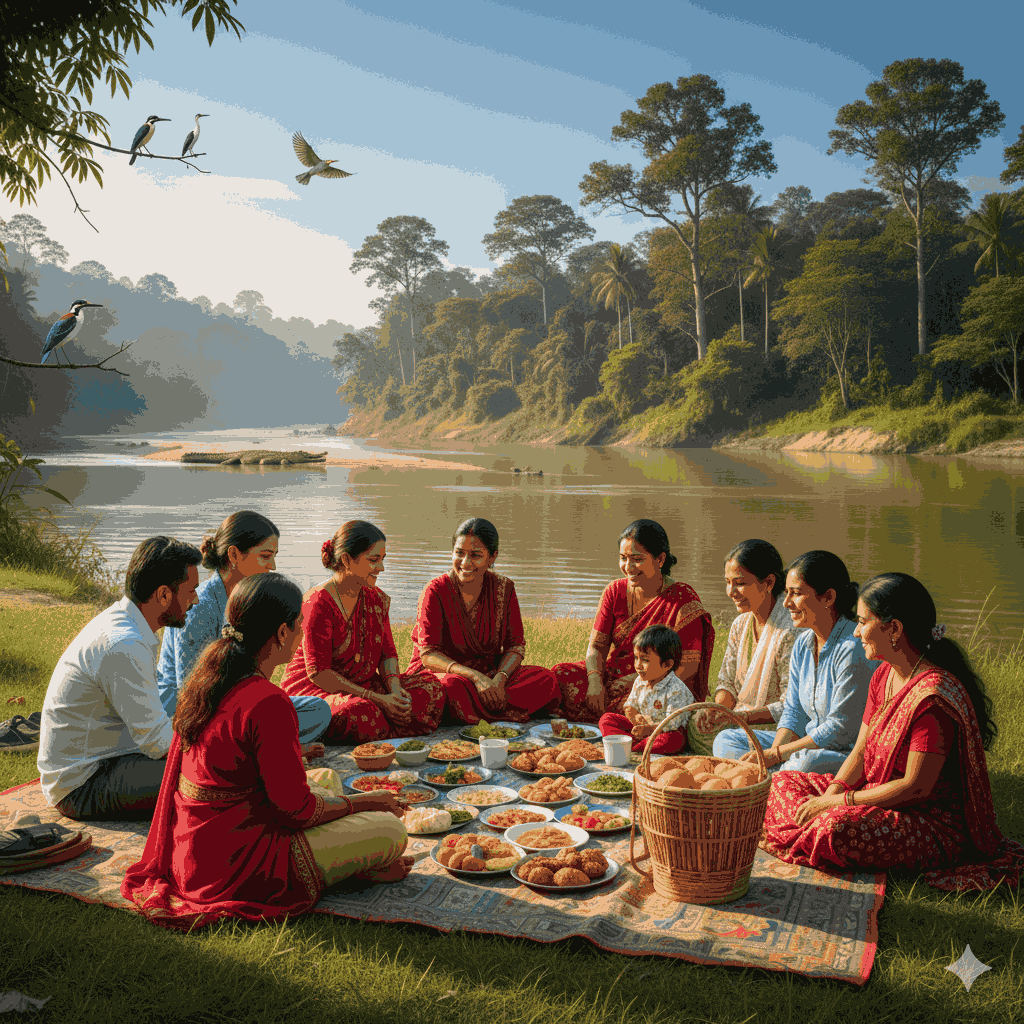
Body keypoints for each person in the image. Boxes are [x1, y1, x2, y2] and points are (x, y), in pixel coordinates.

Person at [122, 573, 413, 930]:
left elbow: (235, 759)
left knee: (327, 777)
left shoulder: (208, 675)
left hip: (197, 848)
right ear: (281, 633)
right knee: (389, 831)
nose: (302, 635)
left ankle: (351, 863)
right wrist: (368, 802)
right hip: (238, 863)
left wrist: (296, 756)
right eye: (299, 626)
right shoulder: (268, 701)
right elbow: (296, 812)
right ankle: (355, 870)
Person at [760, 572, 1024, 891]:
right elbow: (860, 750)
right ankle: (804, 834)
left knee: (834, 829)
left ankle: (797, 835)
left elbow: (916, 787)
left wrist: (839, 805)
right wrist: (830, 796)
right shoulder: (884, 675)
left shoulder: (932, 698)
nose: (856, 632)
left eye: (862, 622)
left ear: (894, 628)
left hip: (927, 821)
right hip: (875, 795)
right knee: (780, 783)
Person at [37, 537, 202, 821]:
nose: (195, 600)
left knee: (214, 766)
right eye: (191, 591)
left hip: (109, 760)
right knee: (213, 776)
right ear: (163, 595)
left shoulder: (128, 626)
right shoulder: (124, 644)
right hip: (84, 783)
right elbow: (158, 743)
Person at [156, 511, 330, 748]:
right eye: (265, 556)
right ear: (234, 554)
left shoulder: (251, 599)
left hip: (237, 701)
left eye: (274, 556)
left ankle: (262, 745)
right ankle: (266, 749)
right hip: (195, 708)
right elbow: (190, 687)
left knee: (317, 710)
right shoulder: (201, 604)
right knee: (262, 719)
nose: (273, 566)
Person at [280, 520, 444, 743]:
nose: (381, 568)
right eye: (373, 560)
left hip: (365, 685)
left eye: (382, 560)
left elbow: (387, 654)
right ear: (347, 560)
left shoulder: (375, 597)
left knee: (431, 688)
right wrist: (377, 699)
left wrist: (394, 691)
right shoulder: (318, 602)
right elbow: (319, 673)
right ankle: (386, 725)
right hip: (317, 689)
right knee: (361, 713)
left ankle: (385, 724)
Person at [714, 550, 875, 774]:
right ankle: (773, 777)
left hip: (843, 753)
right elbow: (794, 713)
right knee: (727, 740)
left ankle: (772, 779)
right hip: (802, 747)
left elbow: (840, 729)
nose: (787, 603)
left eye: (796, 593)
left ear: (828, 597)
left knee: (804, 763)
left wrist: (776, 755)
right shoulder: (803, 644)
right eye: (787, 593)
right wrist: (772, 755)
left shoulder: (852, 648)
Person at [552, 519, 714, 724]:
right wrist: (595, 682)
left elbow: (688, 667)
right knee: (561, 675)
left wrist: (646, 688)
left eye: (637, 559)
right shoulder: (614, 591)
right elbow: (597, 646)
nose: (628, 567)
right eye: (623, 558)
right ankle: (608, 714)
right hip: (611, 679)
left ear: (660, 559)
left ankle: (624, 719)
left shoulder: (683, 599)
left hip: (660, 686)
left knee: (637, 708)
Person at [407, 517, 560, 724]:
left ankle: (474, 712)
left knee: (545, 679)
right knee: (450, 688)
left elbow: (515, 646)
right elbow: (428, 656)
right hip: (447, 674)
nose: (465, 563)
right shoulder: (435, 591)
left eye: (475, 555)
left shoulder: (504, 589)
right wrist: (475, 678)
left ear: (492, 557)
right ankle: (499, 712)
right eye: (459, 553)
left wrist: (499, 678)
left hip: (491, 675)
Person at [688, 540, 803, 757]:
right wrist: (717, 710)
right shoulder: (740, 625)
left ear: (768, 582)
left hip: (776, 727)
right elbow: (727, 683)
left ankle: (762, 762)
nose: (731, 592)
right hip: (739, 719)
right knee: (695, 724)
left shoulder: (789, 632)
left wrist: (741, 718)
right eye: (728, 582)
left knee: (723, 742)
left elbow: (790, 706)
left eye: (740, 583)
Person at [598, 625, 695, 754]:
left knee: (673, 740)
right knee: (607, 719)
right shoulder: (640, 681)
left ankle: (632, 747)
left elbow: (671, 724)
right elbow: (630, 706)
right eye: (636, 658)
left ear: (667, 665)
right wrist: (635, 718)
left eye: (645, 660)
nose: (638, 665)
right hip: (642, 730)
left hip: (663, 732)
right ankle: (638, 745)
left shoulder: (676, 689)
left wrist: (649, 730)